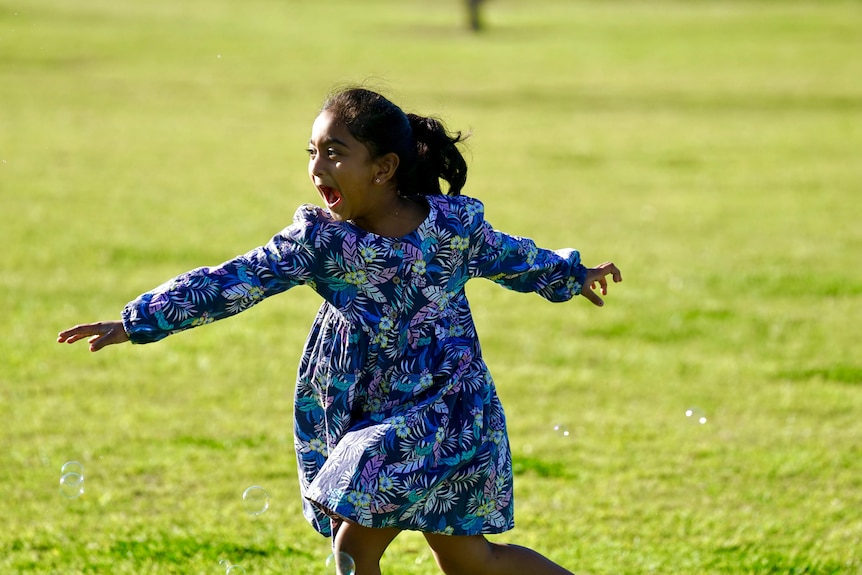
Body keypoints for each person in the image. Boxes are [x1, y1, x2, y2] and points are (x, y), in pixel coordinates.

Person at [58, 87, 622, 575]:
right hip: (367, 407)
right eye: (312, 152)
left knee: (379, 546)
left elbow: (514, 258)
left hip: (448, 408)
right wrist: (135, 322)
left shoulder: (452, 228)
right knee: (469, 562)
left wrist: (573, 274)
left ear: (384, 168)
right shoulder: (322, 241)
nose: (317, 166)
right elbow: (233, 280)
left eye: (335, 153)